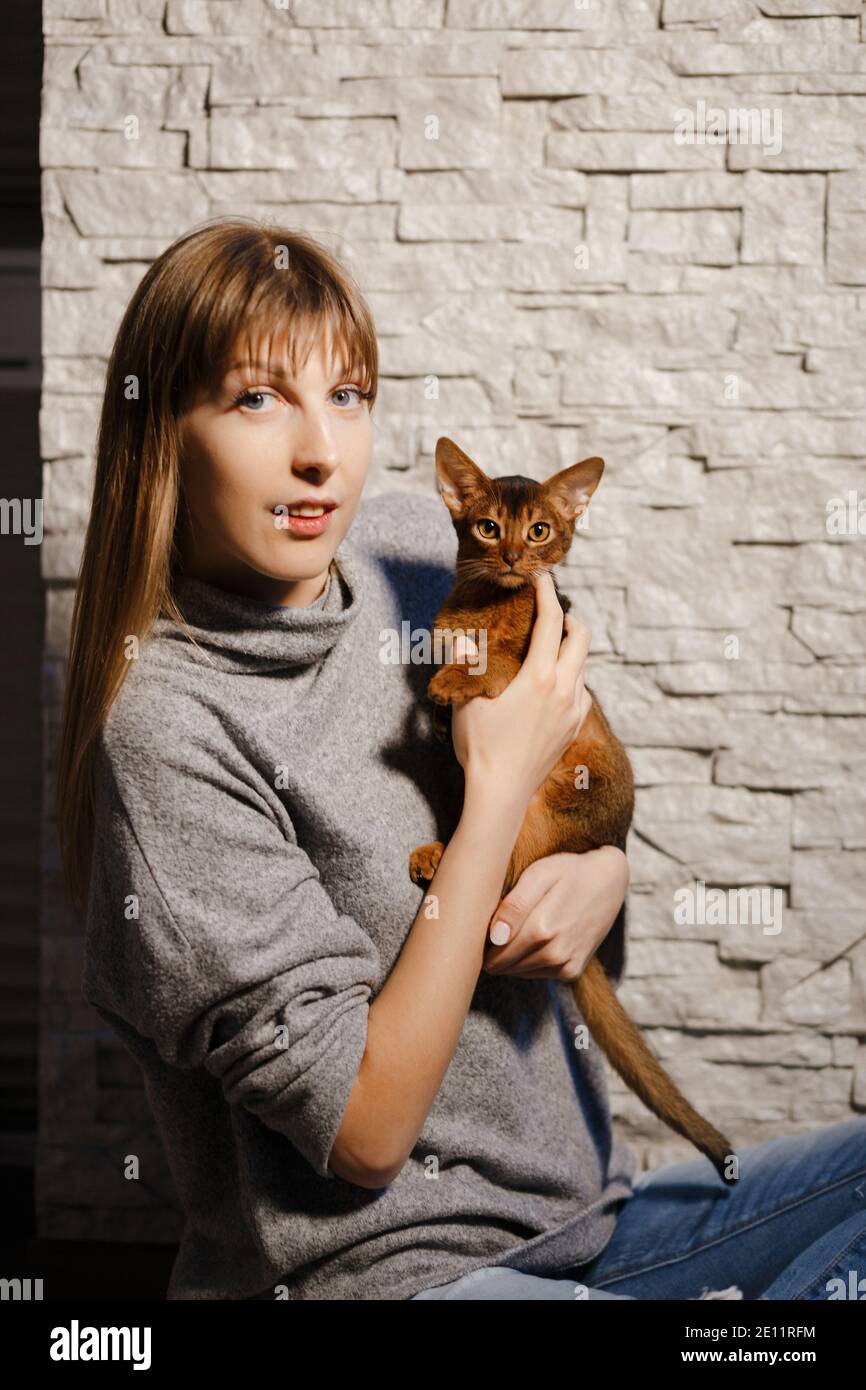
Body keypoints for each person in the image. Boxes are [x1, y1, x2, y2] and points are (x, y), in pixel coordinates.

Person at [57, 218, 866, 1301]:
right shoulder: (169, 731)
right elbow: (365, 1131)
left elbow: (572, 781)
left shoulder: (408, 548)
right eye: (257, 398)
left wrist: (599, 877)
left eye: (346, 395)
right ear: (163, 426)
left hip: (586, 1226)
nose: (320, 451)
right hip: (392, 1278)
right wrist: (487, 800)